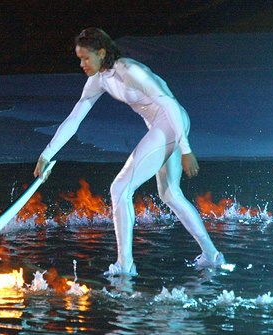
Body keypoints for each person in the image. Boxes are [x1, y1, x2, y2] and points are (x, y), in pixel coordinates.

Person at [34, 28, 225, 276]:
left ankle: (125, 265)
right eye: (79, 59)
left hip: (171, 122)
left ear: (101, 53)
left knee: (120, 188)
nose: (82, 64)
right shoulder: (99, 80)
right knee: (170, 194)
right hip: (163, 127)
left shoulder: (130, 71)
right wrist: (47, 154)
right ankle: (212, 255)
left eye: (85, 58)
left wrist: (185, 148)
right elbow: (74, 119)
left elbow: (168, 102)